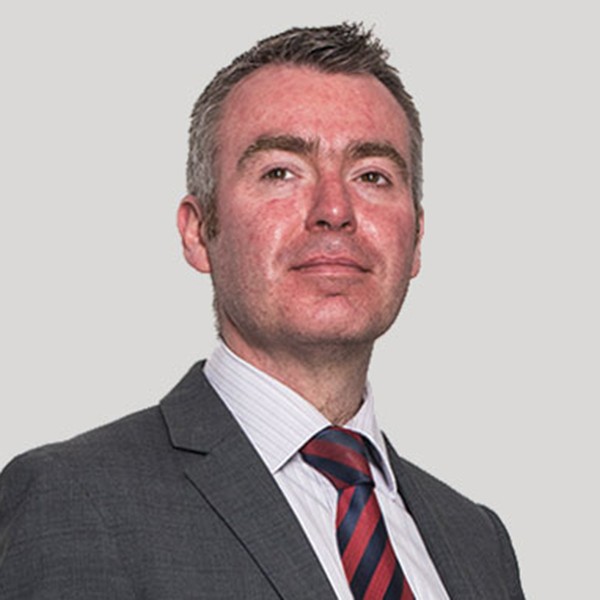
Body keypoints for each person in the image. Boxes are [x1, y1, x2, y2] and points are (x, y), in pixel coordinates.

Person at [0, 23, 525, 599]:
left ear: (416, 239)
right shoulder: (74, 499)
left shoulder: (477, 542)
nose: (334, 210)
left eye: (372, 176)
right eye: (281, 172)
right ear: (198, 233)